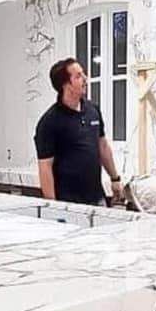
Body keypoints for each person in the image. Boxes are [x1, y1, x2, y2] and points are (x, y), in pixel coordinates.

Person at [34, 58, 124, 206]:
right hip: (68, 203)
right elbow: (45, 167)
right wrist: (52, 206)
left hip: (97, 198)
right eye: (78, 76)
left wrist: (115, 179)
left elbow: (103, 146)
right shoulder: (49, 122)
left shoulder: (93, 110)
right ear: (65, 85)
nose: (85, 79)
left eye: (83, 74)